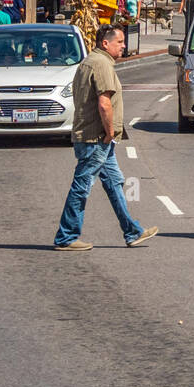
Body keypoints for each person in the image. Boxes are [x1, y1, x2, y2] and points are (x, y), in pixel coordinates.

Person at [54, 23, 157, 251]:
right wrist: (110, 132)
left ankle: (132, 231)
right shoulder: (101, 64)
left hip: (96, 137)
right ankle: (66, 237)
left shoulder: (91, 61)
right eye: (119, 42)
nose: (123, 46)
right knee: (82, 186)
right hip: (96, 138)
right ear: (105, 43)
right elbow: (104, 103)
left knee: (114, 183)